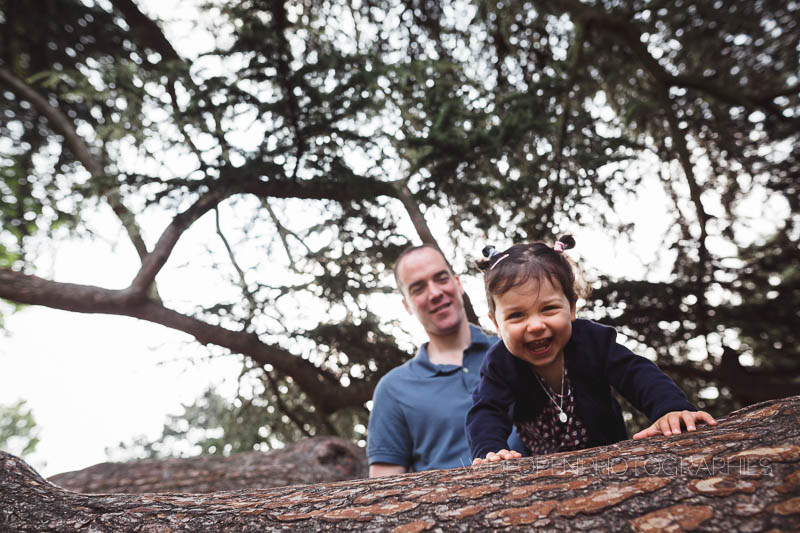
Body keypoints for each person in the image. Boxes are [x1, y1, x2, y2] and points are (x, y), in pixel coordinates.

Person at [466, 235, 717, 465]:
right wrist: (490, 451)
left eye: (549, 309)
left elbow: (636, 373)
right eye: (517, 315)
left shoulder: (593, 341)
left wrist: (670, 408)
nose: (535, 325)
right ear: (497, 323)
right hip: (544, 471)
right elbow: (487, 410)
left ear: (572, 308)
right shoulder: (500, 364)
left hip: (612, 459)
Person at [367, 244, 524, 476]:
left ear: (457, 283)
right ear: (406, 305)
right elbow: (383, 489)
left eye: (441, 278)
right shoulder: (393, 389)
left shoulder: (516, 349)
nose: (435, 293)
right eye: (418, 289)